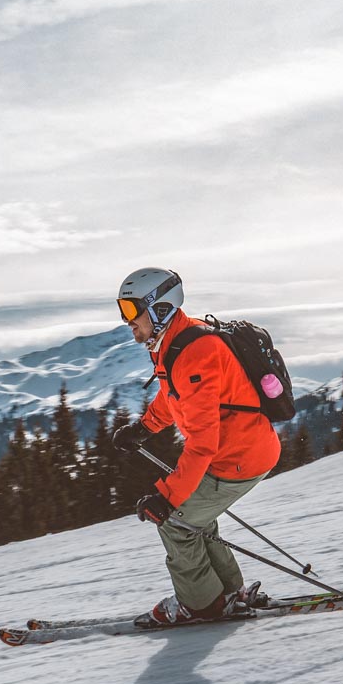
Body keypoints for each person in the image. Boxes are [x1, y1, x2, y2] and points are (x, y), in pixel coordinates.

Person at [111, 267, 282, 627]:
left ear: (159, 308)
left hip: (237, 459)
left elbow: (203, 445)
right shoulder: (174, 344)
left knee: (175, 522)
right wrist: (143, 429)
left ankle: (202, 604)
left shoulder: (194, 353)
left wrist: (167, 498)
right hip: (243, 451)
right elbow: (172, 397)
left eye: (131, 311)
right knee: (197, 520)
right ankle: (228, 592)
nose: (127, 322)